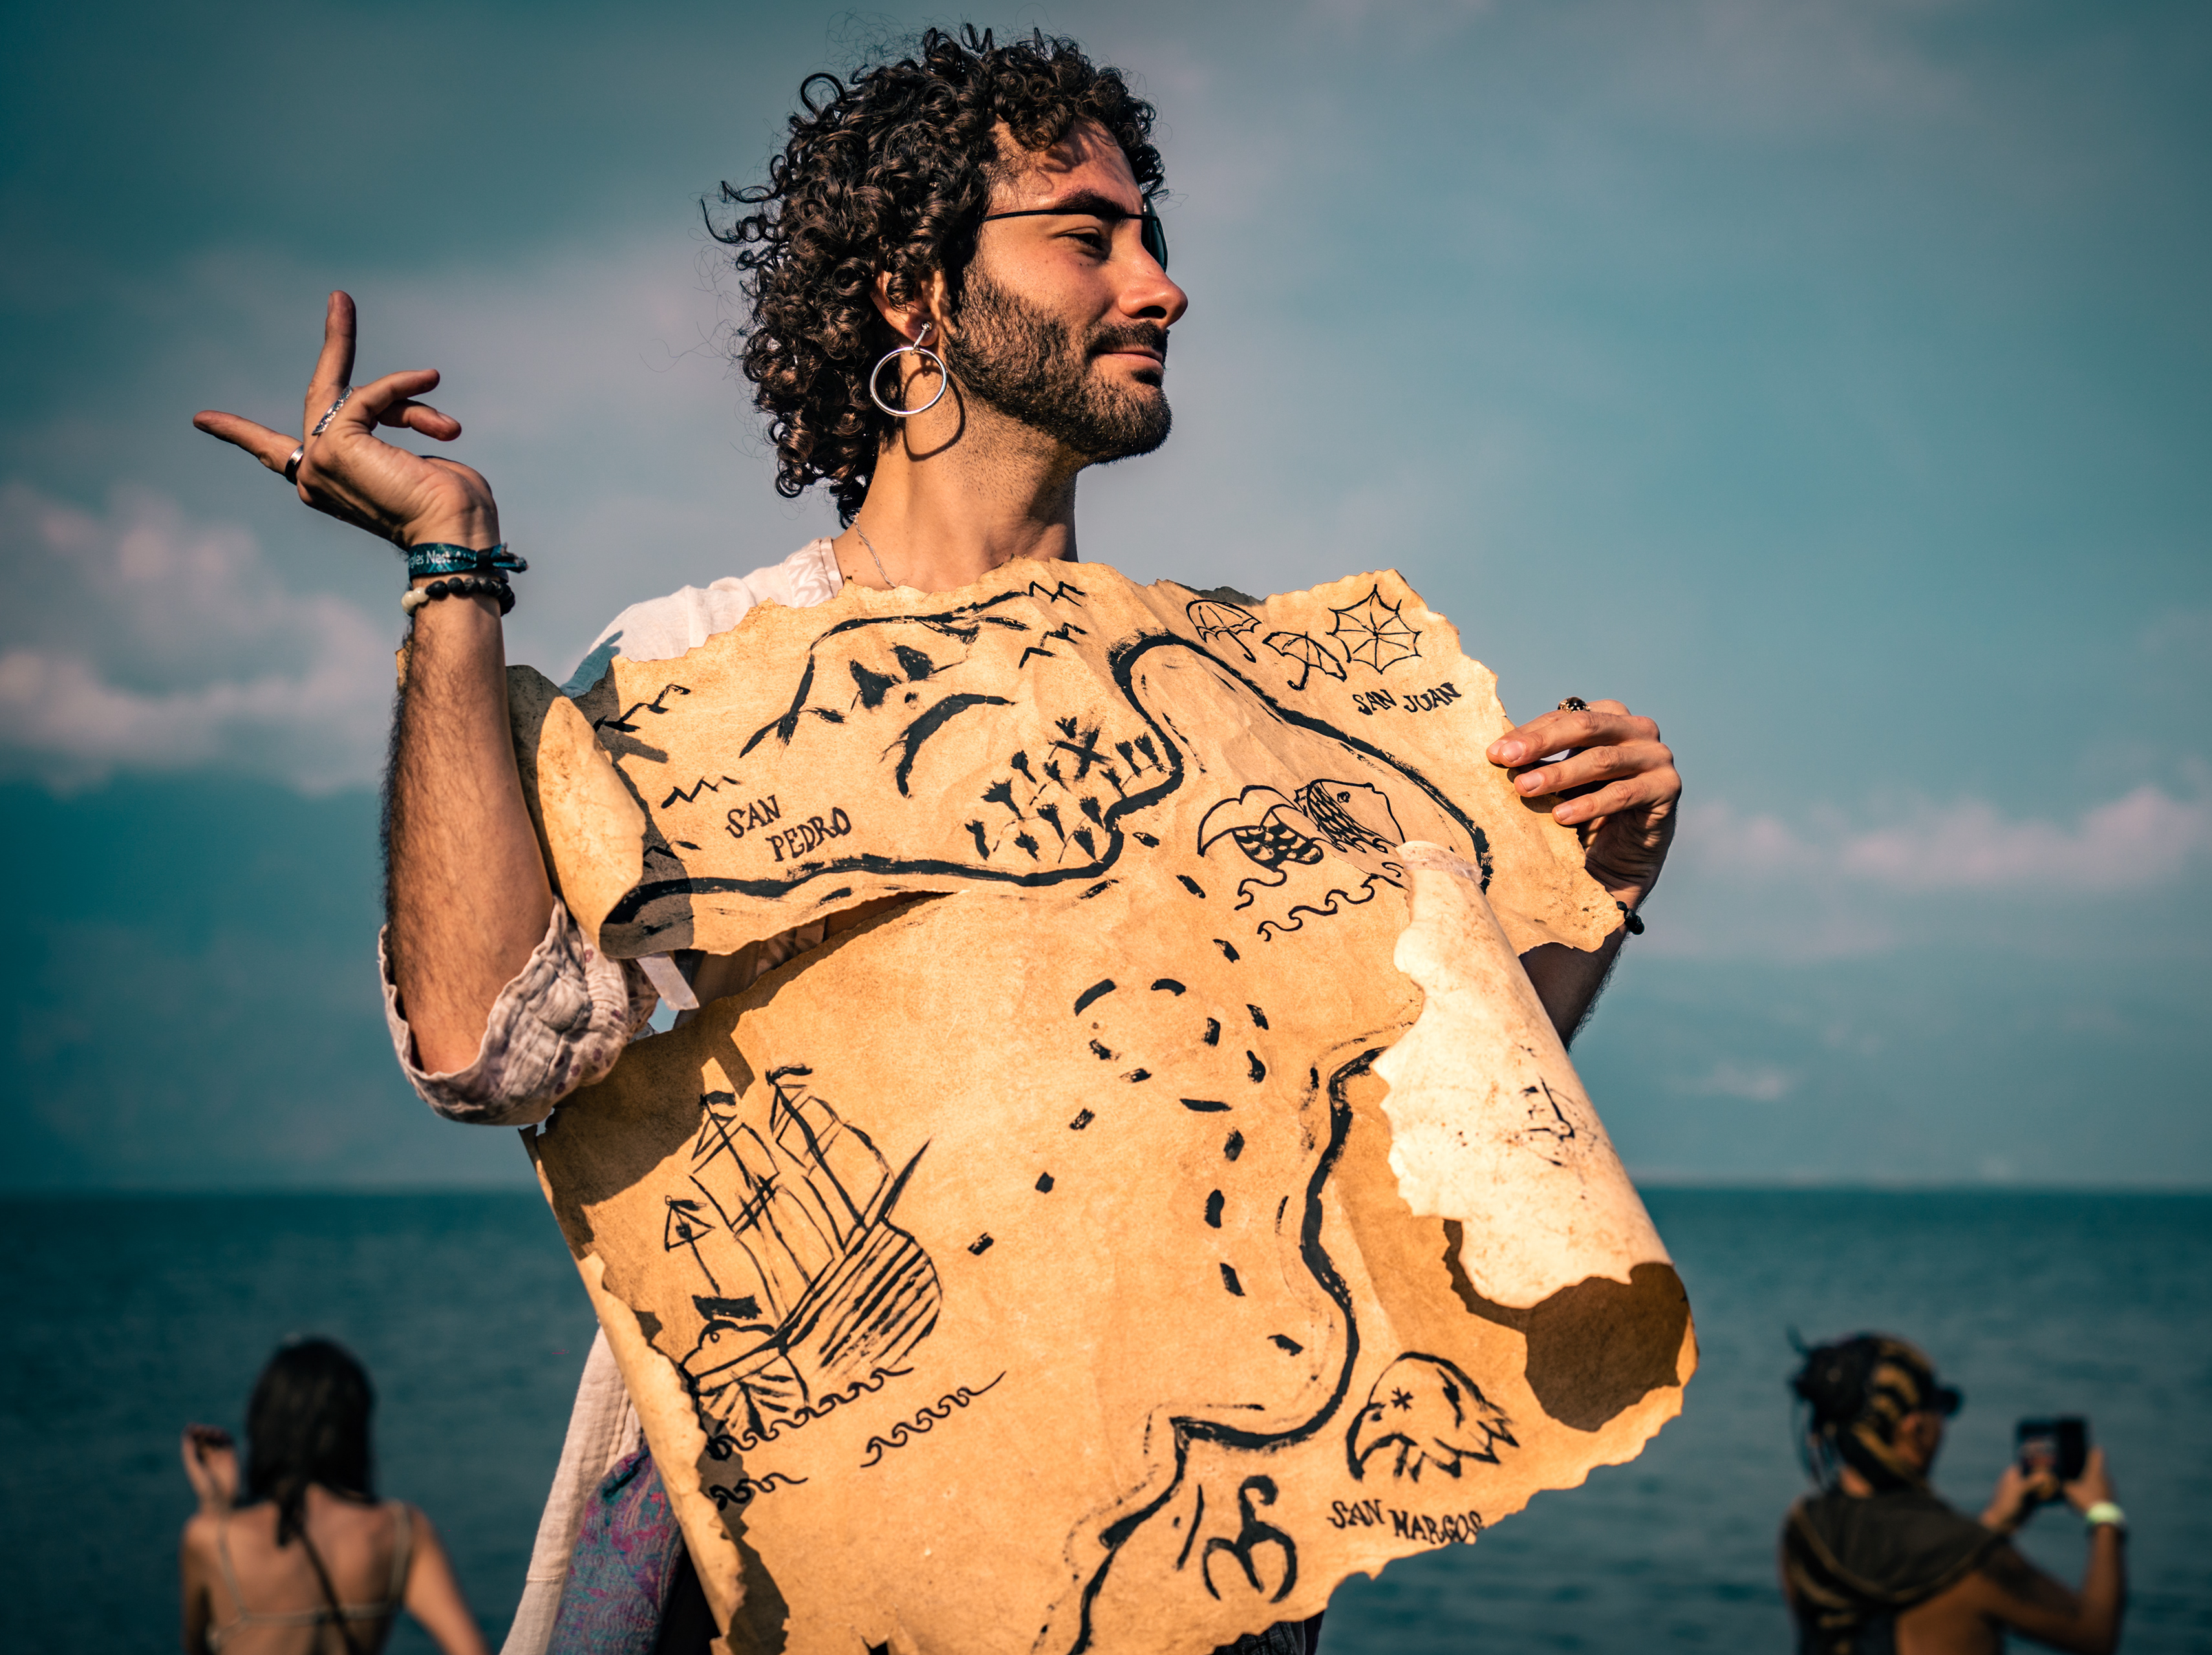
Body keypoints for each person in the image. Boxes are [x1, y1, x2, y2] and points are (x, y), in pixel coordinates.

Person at [193, 27, 1683, 1652]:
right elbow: (494, 1044)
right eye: (1085, 233)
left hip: (1181, 1564)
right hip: (809, 1558)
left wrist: (1580, 903)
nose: (1160, 282)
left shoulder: (1230, 701)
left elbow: (1407, 1132)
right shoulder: (710, 667)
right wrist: (452, 562)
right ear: (913, 293)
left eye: (1153, 233)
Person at [1778, 1335, 2128, 1655]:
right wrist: (2103, 1514)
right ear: (1915, 1430)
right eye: (1942, 1407)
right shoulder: (1976, 1562)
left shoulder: (1803, 1529)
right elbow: (2095, 1634)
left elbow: (1891, 1588)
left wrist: (1993, 1525)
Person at [180, 1338, 488, 1655]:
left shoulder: (210, 1540)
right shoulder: (403, 1531)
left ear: (264, 1423)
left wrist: (217, 1509)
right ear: (355, 1426)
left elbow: (199, 1648)